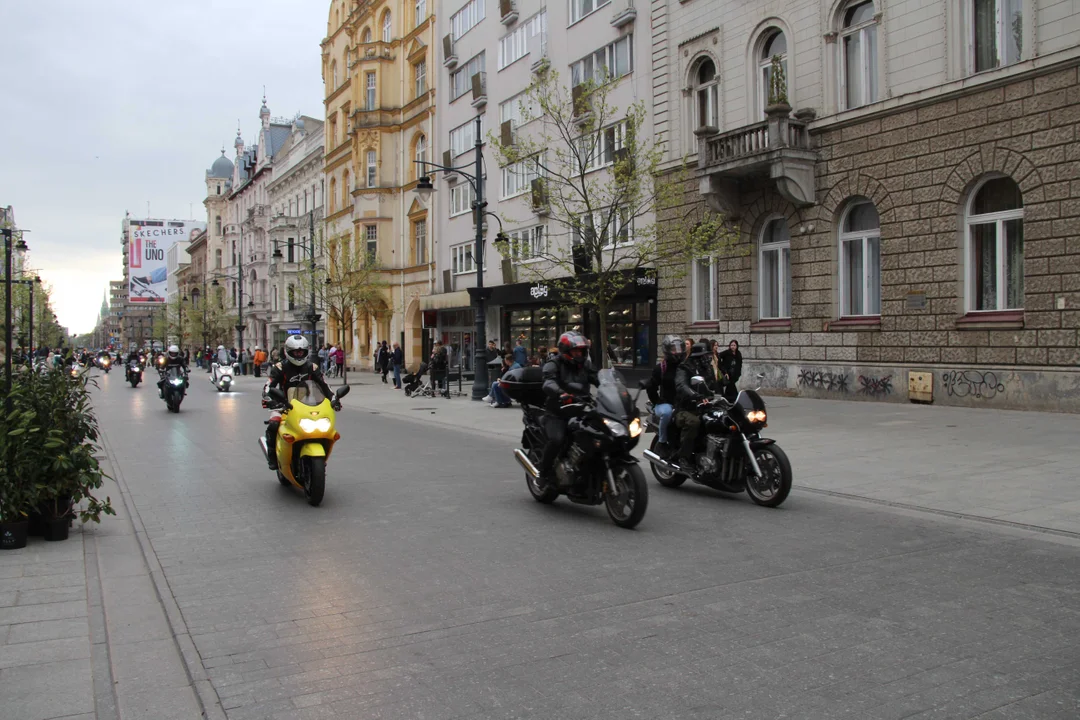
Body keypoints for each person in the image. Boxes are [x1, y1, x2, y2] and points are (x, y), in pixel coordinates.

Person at [264, 336, 340, 470]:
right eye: (295, 352)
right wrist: (268, 399)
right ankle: (272, 456)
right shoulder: (280, 367)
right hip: (284, 405)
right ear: (288, 352)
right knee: (274, 423)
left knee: (323, 427)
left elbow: (324, 385)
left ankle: (319, 458)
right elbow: (269, 386)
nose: (299, 354)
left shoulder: (312, 367)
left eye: (301, 352)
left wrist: (334, 398)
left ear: (306, 351)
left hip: (308, 405)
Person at [539, 331, 599, 486]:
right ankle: (543, 473)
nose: (579, 354)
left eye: (581, 351)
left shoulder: (585, 365)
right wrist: (560, 393)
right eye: (575, 351)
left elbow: (599, 378)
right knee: (557, 440)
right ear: (565, 351)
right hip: (558, 411)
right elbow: (548, 382)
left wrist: (614, 388)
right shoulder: (553, 364)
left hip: (582, 409)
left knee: (601, 434)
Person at [674, 342, 718, 464]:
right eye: (703, 356)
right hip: (686, 408)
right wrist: (695, 395)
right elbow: (681, 385)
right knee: (694, 422)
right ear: (696, 357)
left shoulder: (707, 369)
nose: (706, 358)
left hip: (706, 406)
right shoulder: (684, 368)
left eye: (707, 355)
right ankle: (683, 457)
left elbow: (714, 386)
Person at [646, 335, 684, 456]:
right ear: (667, 350)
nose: (677, 351)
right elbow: (651, 387)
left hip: (682, 402)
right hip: (666, 403)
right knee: (667, 413)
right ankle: (662, 442)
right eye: (674, 348)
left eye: (679, 348)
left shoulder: (684, 367)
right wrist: (657, 400)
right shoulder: (661, 368)